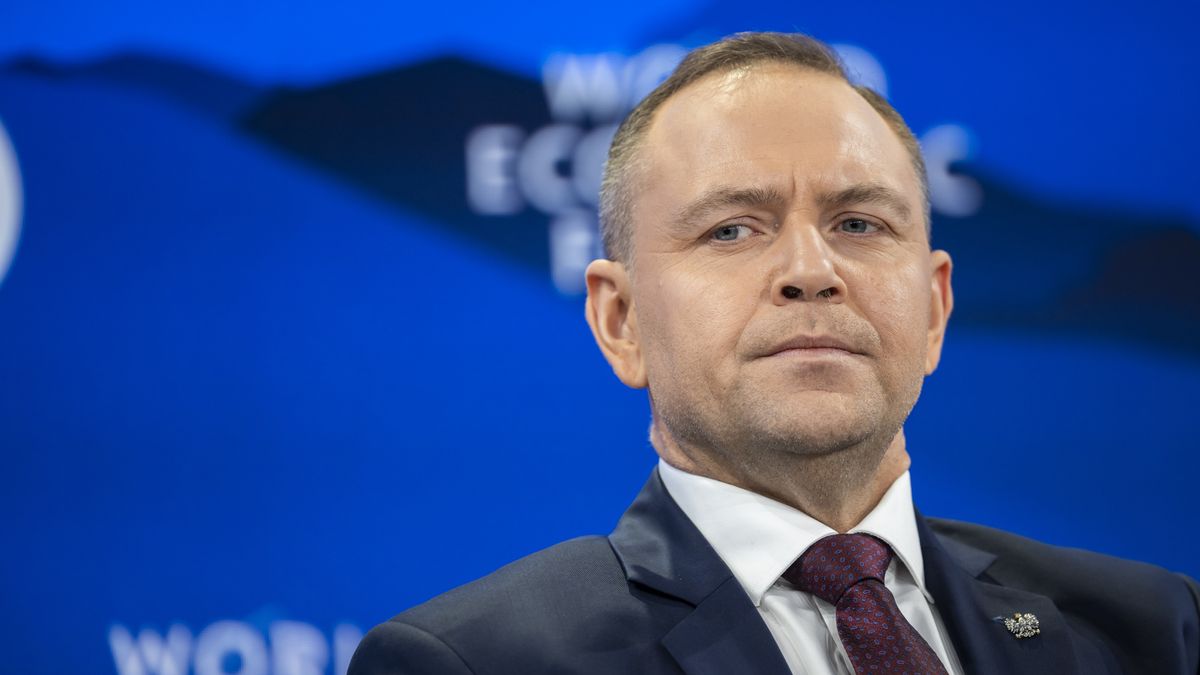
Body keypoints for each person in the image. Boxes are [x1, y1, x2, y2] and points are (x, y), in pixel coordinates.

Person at [349, 32, 1200, 674]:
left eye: (858, 223)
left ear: (935, 308)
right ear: (622, 320)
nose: (810, 271)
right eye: (732, 229)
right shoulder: (474, 663)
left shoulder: (1152, 628)